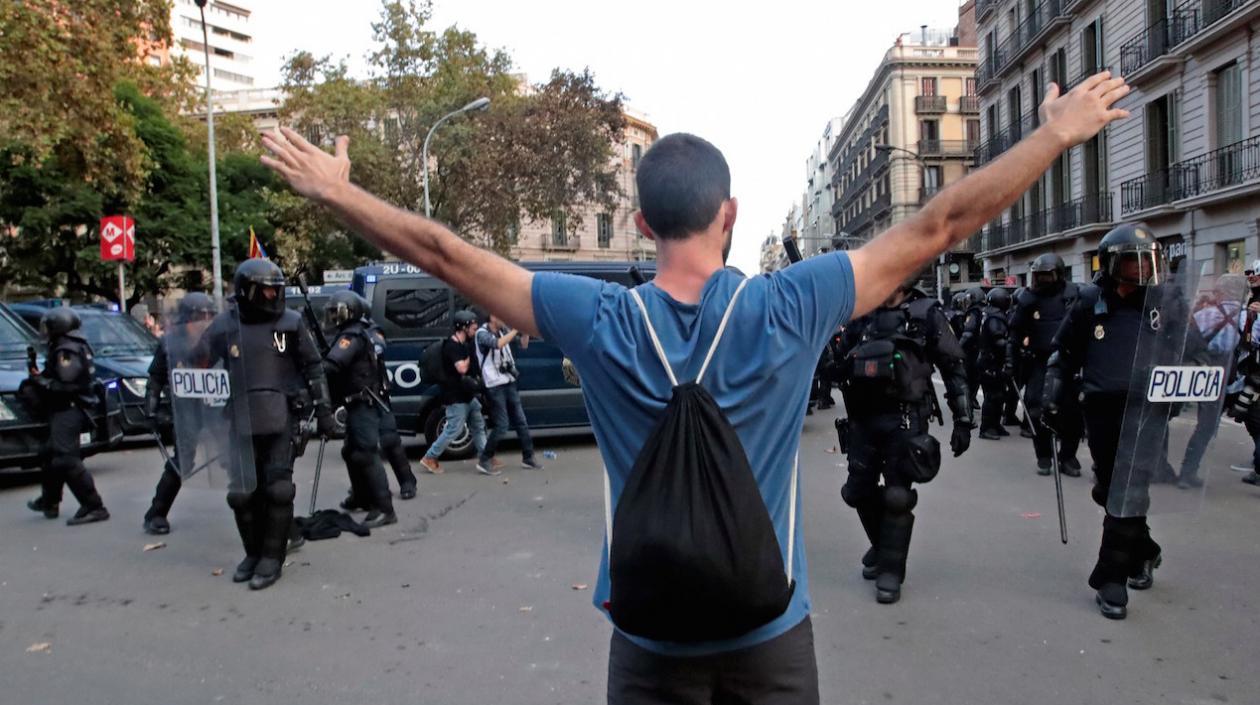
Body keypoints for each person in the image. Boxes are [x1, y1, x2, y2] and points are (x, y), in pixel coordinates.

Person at [261, 70, 1128, 702]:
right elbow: (943, 221)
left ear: (641, 223)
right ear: (731, 215)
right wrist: (1055, 132)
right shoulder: (792, 303)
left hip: (648, 643)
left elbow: (446, 254)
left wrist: (340, 192)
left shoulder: (594, 316)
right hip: (771, 637)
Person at [1043, 223, 1173, 620]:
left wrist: (1193, 385)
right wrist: (1051, 397)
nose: (1141, 270)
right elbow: (1063, 356)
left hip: (1148, 410)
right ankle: (1144, 551)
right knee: (1108, 488)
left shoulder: (1164, 303)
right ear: (1114, 264)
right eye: (1133, 263)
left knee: (1129, 488)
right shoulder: (1088, 302)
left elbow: (1191, 350)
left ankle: (1111, 579)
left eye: (1146, 262)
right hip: (1100, 410)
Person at [833, 282, 972, 604]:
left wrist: (963, 418)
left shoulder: (927, 314)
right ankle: (885, 545)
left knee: (898, 496)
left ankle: (891, 571)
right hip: (863, 418)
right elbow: (835, 363)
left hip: (906, 418)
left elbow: (953, 366)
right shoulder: (862, 314)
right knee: (856, 491)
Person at [201, 260, 336, 590]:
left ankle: (272, 557)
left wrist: (324, 411)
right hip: (239, 417)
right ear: (247, 291)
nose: (273, 294)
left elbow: (313, 367)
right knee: (242, 494)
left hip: (280, 417)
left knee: (277, 490)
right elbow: (199, 364)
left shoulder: (290, 323)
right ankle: (252, 553)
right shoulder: (224, 326)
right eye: (266, 289)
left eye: (277, 288)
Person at [23, 307, 110, 525]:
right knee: (49, 453)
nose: (45, 331)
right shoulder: (70, 345)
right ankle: (49, 501)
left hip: (69, 408)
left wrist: (40, 382)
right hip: (67, 408)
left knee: (65, 457)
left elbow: (66, 385)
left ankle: (94, 506)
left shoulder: (67, 350)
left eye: (49, 327)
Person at [142, 292, 217, 535]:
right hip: (187, 408)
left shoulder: (219, 339)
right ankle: (156, 513)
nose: (204, 322)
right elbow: (155, 378)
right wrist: (150, 408)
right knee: (183, 460)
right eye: (199, 317)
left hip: (216, 406)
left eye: (209, 316)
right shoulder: (170, 343)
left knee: (235, 457)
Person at [322, 290, 397, 527]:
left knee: (365, 452)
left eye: (338, 313)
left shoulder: (352, 336)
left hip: (364, 401)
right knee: (351, 452)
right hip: (356, 402)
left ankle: (385, 508)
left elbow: (333, 364)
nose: (334, 319)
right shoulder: (358, 332)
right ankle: (361, 497)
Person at [1007, 254, 1083, 477]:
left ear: (1058, 274)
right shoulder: (1028, 299)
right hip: (1039, 362)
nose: (1042, 280)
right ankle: (1044, 455)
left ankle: (1068, 456)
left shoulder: (1074, 296)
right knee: (1037, 410)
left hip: (1068, 361)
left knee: (1072, 413)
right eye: (1038, 276)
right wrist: (1011, 360)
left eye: (1047, 275)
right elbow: (1014, 332)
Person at [1179, 274, 1246, 489]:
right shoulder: (1250, 317)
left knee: (1205, 426)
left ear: (1223, 292)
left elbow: (1187, 345)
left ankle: (1187, 472)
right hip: (1238, 378)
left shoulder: (1205, 315)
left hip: (1207, 375)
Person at [419, 310, 489, 475]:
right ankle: (430, 457)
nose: (475, 329)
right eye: (472, 326)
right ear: (463, 327)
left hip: (466, 395)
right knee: (453, 429)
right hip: (455, 395)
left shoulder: (463, 344)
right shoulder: (452, 346)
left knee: (478, 424)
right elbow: (462, 368)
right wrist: (472, 356)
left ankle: (486, 457)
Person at [475, 311, 543, 471]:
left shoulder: (503, 330)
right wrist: (515, 329)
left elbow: (523, 344)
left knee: (521, 421)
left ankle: (528, 457)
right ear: (492, 316)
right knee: (502, 425)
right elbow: (497, 344)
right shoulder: (481, 334)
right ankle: (484, 459)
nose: (505, 319)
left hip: (509, 381)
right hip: (494, 385)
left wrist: (525, 330)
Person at [976, 287, 1012, 440]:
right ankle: (986, 428)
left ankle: (995, 424)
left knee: (999, 395)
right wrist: (1012, 346)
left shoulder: (988, 314)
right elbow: (998, 340)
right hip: (990, 363)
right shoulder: (994, 318)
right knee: (992, 396)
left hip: (990, 361)